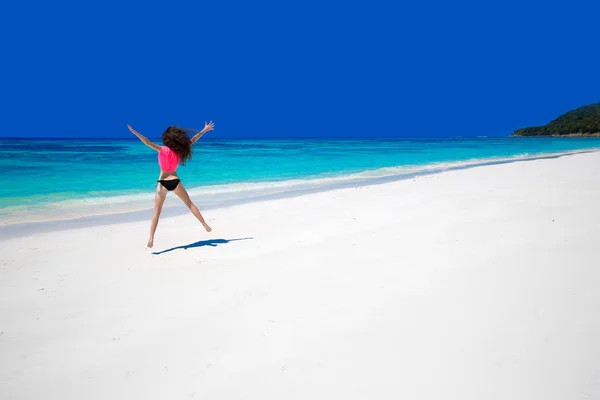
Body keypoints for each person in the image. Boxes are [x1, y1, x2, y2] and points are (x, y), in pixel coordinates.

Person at [127, 122, 215, 248]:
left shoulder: (161, 149)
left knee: (157, 211)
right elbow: (194, 139)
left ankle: (151, 238)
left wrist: (135, 132)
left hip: (162, 183)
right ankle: (205, 225)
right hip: (175, 181)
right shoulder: (179, 151)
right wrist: (204, 130)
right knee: (189, 204)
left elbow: (147, 142)